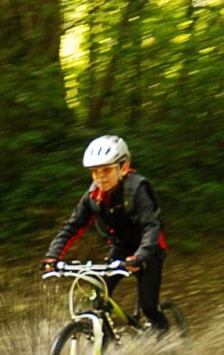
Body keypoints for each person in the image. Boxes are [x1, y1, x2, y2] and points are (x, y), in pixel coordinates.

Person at [40, 135, 170, 333]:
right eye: (94, 172)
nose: (100, 177)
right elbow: (72, 227)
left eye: (106, 170)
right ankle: (106, 344)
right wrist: (53, 256)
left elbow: (151, 226)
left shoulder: (138, 189)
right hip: (121, 247)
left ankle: (169, 346)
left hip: (149, 249)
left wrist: (141, 256)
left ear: (124, 168)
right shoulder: (93, 196)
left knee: (149, 307)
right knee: (98, 298)